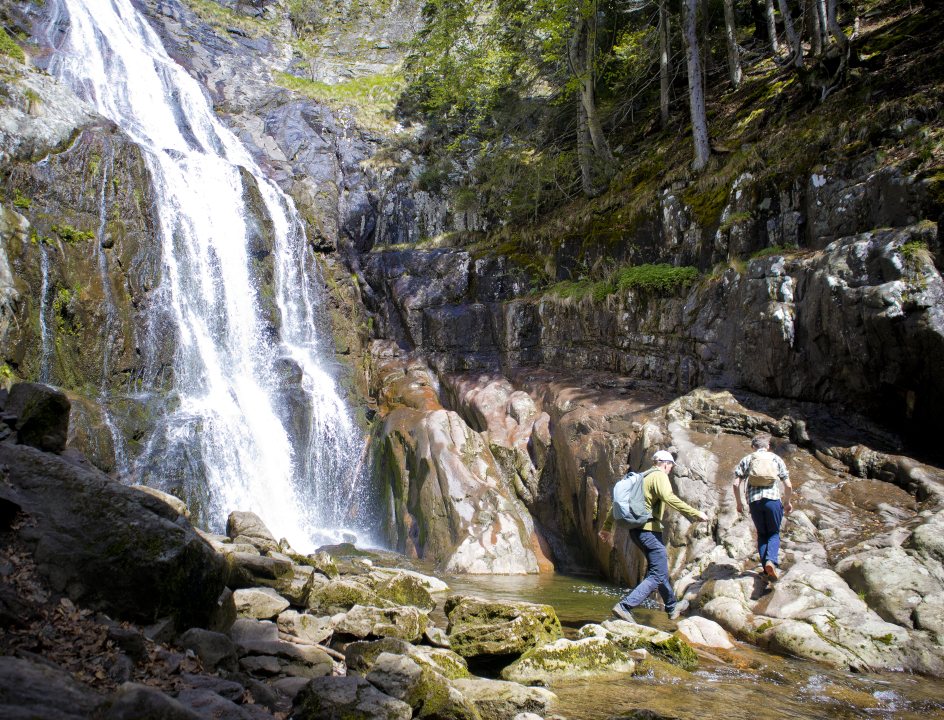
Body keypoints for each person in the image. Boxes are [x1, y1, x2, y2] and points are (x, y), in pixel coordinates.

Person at [598, 449, 708, 623]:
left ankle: (671, 606)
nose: (671, 469)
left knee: (659, 570)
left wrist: (607, 527)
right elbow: (668, 497)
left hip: (637, 531)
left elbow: (617, 504)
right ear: (665, 463)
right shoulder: (659, 476)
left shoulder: (641, 477)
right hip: (648, 531)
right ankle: (625, 606)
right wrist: (694, 513)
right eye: (671, 466)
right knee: (657, 574)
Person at [733, 433, 793, 581]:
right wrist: (787, 502)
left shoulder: (747, 459)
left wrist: (739, 503)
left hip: (754, 502)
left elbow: (736, 484)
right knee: (773, 533)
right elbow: (788, 485)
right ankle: (770, 561)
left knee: (762, 534)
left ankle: (766, 569)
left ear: (753, 447)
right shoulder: (776, 459)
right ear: (768, 446)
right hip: (772, 501)